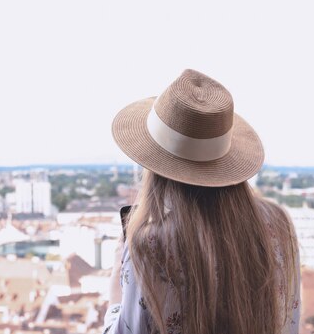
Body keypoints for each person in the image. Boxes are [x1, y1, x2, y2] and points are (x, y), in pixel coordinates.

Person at [103, 69, 300, 334]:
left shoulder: (150, 243)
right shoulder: (278, 222)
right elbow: (289, 321)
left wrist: (117, 290)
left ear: (154, 167)